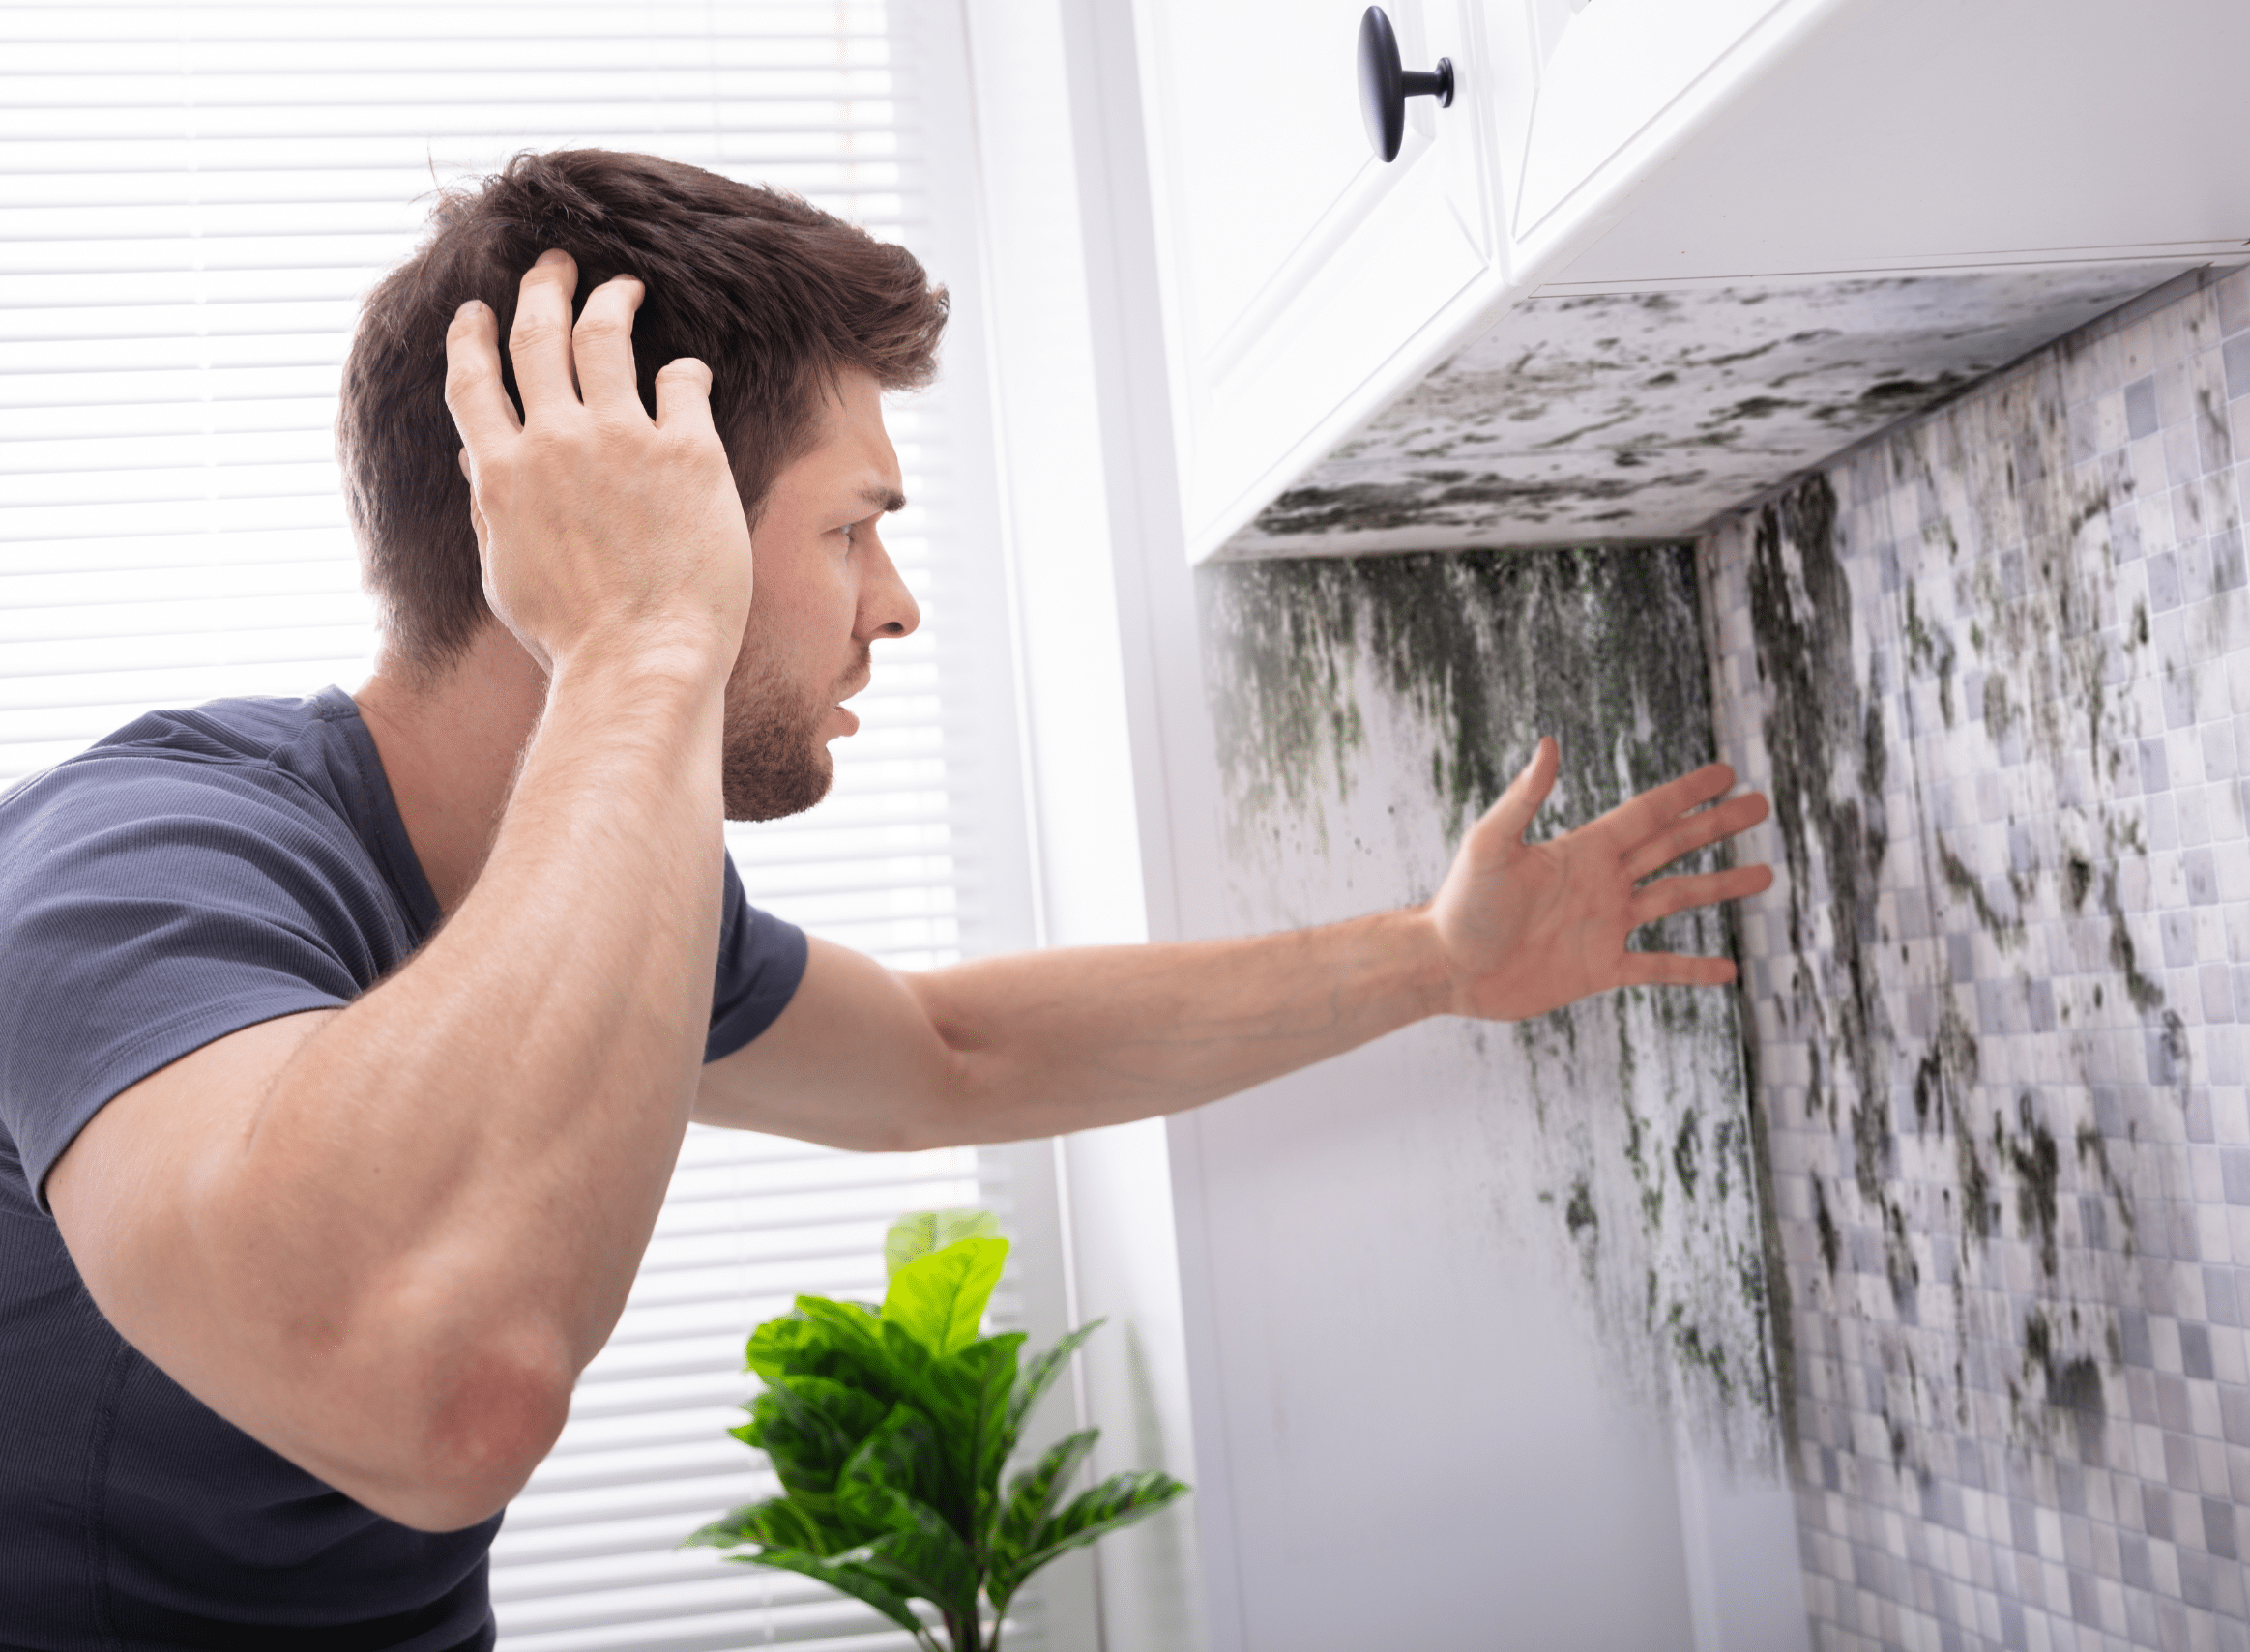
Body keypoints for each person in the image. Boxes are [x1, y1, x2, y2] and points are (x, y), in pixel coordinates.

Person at [0, 150, 1772, 1648]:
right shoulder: (141, 870)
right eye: (851, 529)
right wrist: (639, 641)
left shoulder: (600, 886)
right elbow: (441, 1394)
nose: (896, 603)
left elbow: (951, 1055)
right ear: (621, 508)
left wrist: (1437, 963)